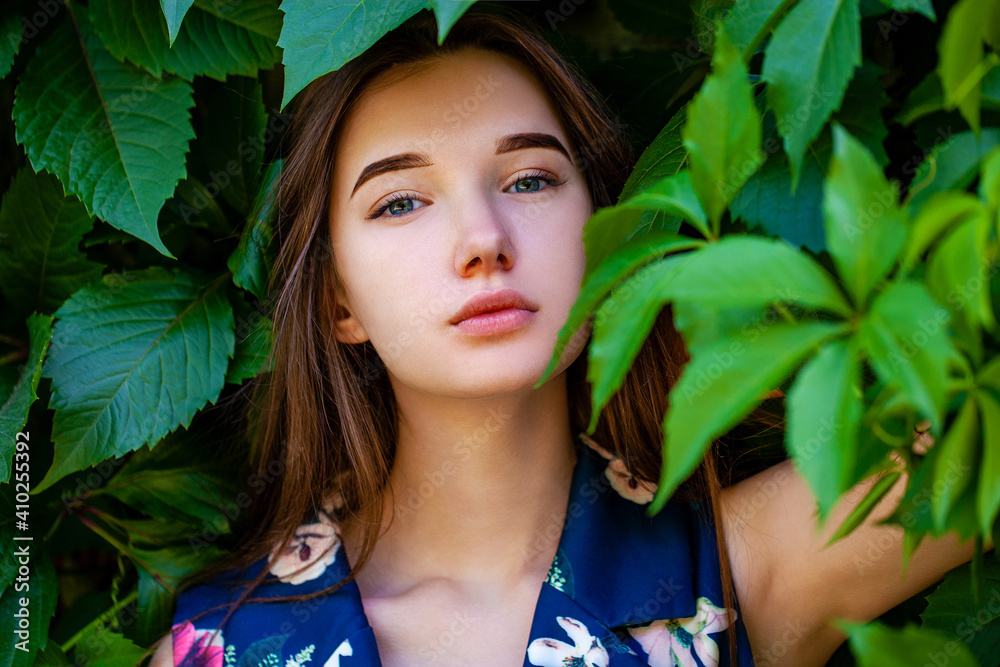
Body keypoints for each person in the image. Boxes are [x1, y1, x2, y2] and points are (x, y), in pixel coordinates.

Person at [148, 5, 982, 667]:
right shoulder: (224, 646)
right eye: (401, 200)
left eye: (531, 178)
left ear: (611, 232)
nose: (483, 237)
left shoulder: (740, 572)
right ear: (339, 301)